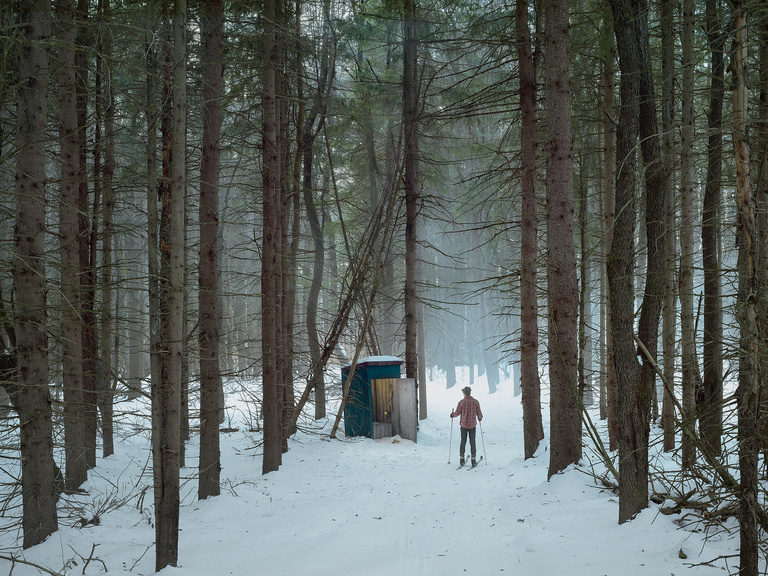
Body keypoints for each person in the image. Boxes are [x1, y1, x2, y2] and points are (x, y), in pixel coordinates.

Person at [450, 386, 483, 466]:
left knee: (463, 441)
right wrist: (480, 418)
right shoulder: (475, 402)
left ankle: (461, 459)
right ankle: (473, 460)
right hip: (472, 425)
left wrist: (452, 415)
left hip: (464, 425)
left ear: (464, 393)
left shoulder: (461, 402)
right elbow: (479, 413)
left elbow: (457, 413)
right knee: (472, 441)